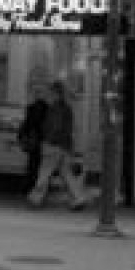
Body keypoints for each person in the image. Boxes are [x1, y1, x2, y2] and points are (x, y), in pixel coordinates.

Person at [27, 80, 89, 210]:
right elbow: (68, 128)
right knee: (66, 173)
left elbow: (55, 126)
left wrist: (48, 140)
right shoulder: (66, 107)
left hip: (53, 145)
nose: (49, 94)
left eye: (51, 92)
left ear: (55, 93)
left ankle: (35, 199)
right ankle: (78, 198)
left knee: (44, 172)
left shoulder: (55, 108)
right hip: (64, 145)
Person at [16, 83, 49, 194]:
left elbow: (27, 124)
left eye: (36, 93)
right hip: (43, 140)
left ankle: (29, 187)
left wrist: (21, 135)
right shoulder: (47, 108)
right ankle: (36, 188)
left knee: (32, 165)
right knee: (40, 166)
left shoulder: (31, 108)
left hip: (34, 140)